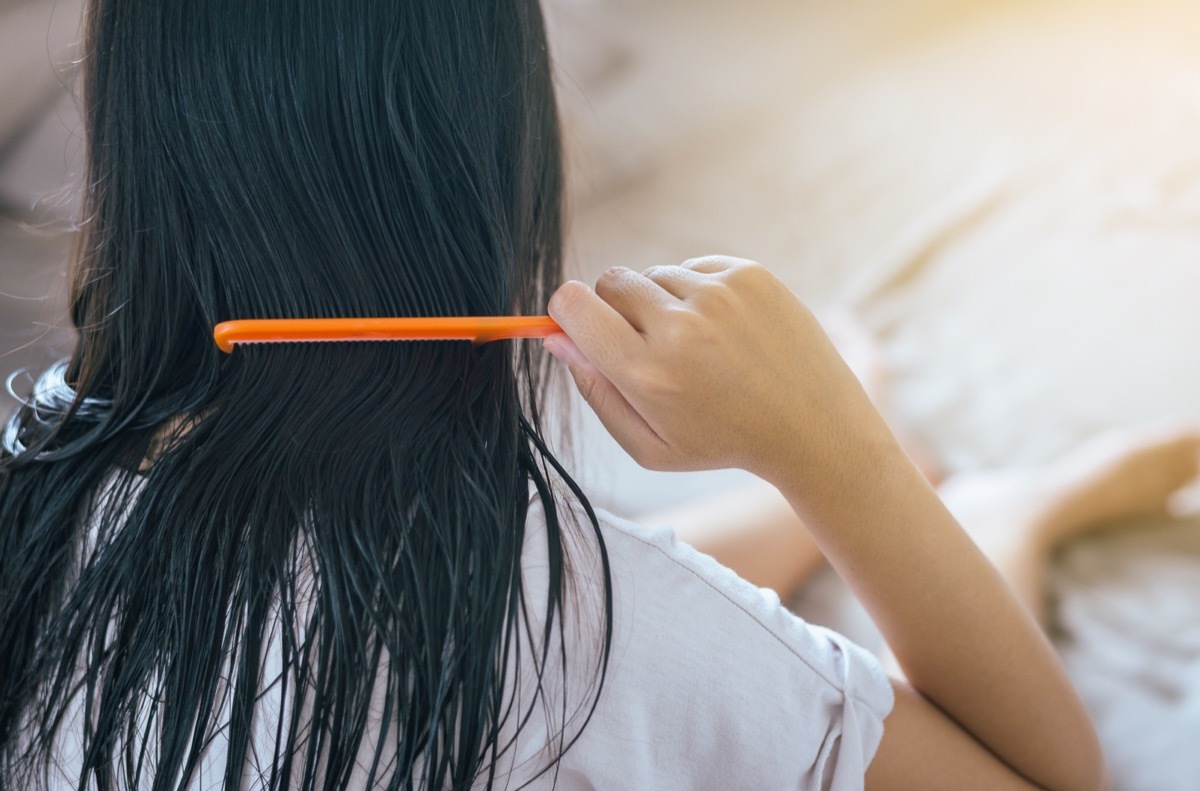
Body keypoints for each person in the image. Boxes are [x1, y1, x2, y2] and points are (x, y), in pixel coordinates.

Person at [0, 0, 1118, 788]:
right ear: (499, 161)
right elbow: (1036, 778)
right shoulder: (570, 623)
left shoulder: (33, 477)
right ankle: (997, 513)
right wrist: (837, 451)